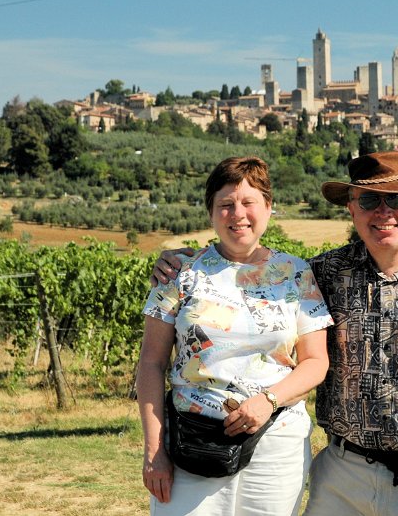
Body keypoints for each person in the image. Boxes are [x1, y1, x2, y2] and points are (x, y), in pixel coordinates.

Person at [153, 151, 398, 516]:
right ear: (351, 208)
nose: (383, 212)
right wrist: (183, 261)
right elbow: (247, 272)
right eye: (369, 200)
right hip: (343, 476)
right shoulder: (325, 272)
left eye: (396, 199)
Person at [137, 156, 332, 516]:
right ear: (211, 213)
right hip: (191, 442)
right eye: (225, 204)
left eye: (248, 202)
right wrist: (154, 450)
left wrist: (268, 400)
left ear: (269, 208)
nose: (237, 214)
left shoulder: (296, 272)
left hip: (277, 444)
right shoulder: (179, 273)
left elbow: (316, 362)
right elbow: (150, 363)